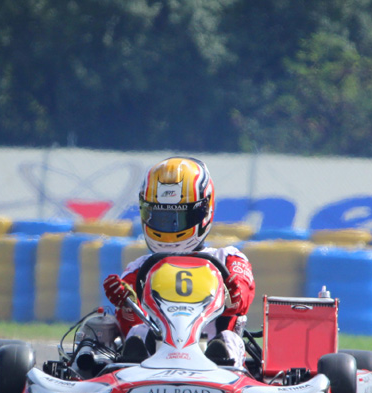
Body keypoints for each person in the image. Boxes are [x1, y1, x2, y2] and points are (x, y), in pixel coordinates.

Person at [100, 156, 255, 368]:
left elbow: (243, 296)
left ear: (204, 210)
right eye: (160, 218)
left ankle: (218, 357)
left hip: (217, 361)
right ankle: (136, 361)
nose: (170, 227)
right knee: (138, 332)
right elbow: (131, 322)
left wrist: (235, 291)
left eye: (178, 219)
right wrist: (126, 303)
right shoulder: (139, 268)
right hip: (154, 357)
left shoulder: (227, 258)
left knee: (229, 339)